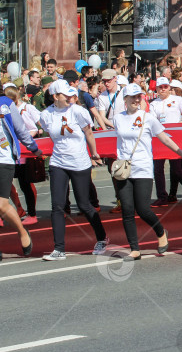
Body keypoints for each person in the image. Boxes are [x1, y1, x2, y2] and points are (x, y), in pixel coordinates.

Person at [113, 84, 182, 261]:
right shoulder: (117, 118)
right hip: (124, 170)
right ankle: (134, 248)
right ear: (125, 99)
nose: (136, 100)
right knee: (127, 209)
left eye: (138, 97)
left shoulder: (148, 118)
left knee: (142, 209)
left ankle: (160, 231)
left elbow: (164, 138)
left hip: (143, 168)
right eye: (132, 97)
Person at [39, 80, 108, 261]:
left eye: (71, 94)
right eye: (66, 95)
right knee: (57, 206)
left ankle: (101, 237)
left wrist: (94, 154)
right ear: (55, 97)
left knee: (84, 204)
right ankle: (59, 249)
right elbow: (50, 134)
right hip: (58, 162)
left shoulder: (78, 111)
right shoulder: (46, 115)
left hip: (79, 162)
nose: (71, 98)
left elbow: (89, 134)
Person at [0, 89, 42, 261]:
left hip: (3, 159)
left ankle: (22, 231)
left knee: (1, 205)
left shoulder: (5, 103)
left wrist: (33, 148)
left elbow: (20, 129)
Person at [149, 77, 182, 207]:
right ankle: (162, 196)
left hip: (176, 137)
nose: (163, 89)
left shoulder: (177, 100)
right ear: (157, 89)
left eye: (165, 87)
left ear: (169, 88)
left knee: (176, 167)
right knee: (158, 168)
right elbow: (152, 120)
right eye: (160, 87)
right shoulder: (153, 104)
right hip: (160, 137)